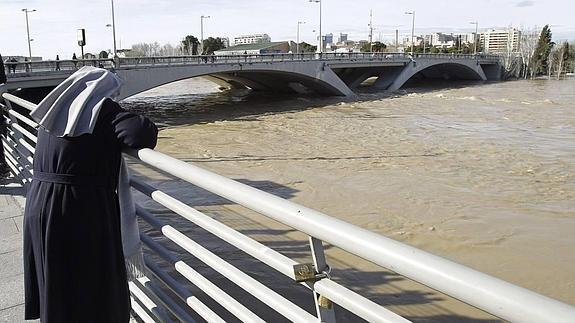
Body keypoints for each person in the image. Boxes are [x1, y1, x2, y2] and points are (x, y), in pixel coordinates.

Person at [23, 66, 158, 322]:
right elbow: (142, 133)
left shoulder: (56, 111)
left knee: (57, 280)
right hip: (76, 208)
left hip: (40, 201)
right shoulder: (103, 112)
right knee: (91, 282)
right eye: (114, 93)